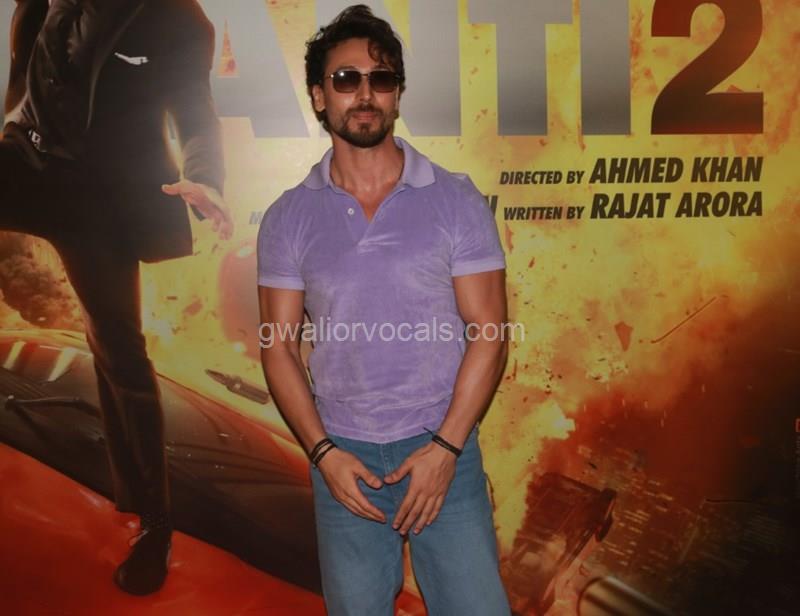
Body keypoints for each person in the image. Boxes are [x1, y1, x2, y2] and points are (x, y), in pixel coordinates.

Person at [257, 5, 511, 615]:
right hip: (344, 463)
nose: (365, 93)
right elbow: (278, 346)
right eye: (346, 79)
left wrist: (446, 450)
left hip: (442, 451)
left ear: (397, 94)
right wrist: (324, 454)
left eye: (382, 78)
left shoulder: (455, 199)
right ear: (319, 97)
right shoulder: (289, 216)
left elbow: (490, 331)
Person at [1, 0, 232, 595]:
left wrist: (205, 178)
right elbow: (27, 66)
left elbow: (196, 111)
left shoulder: (178, 18)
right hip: (25, 160)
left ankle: (155, 524)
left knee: (120, 351)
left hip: (99, 196)